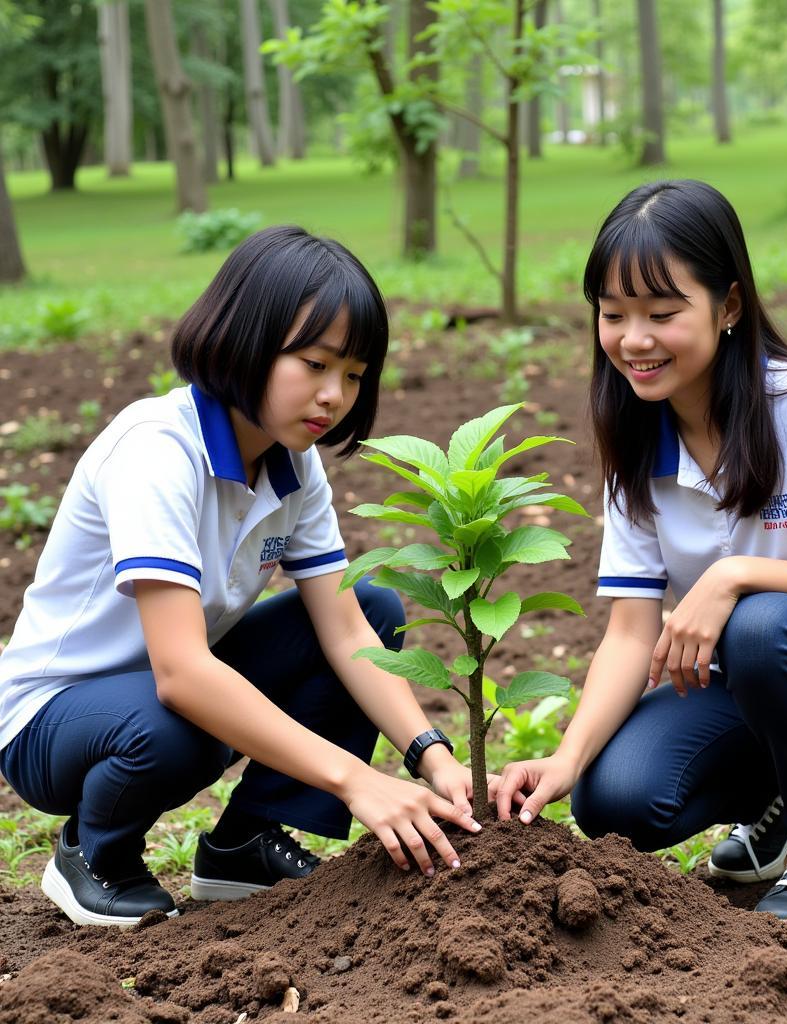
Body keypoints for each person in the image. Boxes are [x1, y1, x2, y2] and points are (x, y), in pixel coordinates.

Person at [495, 180, 787, 930]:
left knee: (761, 624)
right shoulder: (639, 442)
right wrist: (567, 758)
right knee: (616, 802)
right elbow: (631, 632)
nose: (633, 340)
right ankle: (783, 806)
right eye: (613, 315)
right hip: (760, 684)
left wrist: (736, 575)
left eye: (662, 313)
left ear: (729, 306)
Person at [0, 226, 478, 928]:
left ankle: (245, 843)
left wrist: (430, 757)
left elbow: (346, 633)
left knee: (369, 609)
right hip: (55, 717)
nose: (334, 395)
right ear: (244, 340)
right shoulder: (158, 452)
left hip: (168, 686)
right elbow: (183, 675)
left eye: (353, 374)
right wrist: (356, 782)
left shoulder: (292, 462)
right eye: (315, 363)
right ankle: (94, 854)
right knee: (180, 723)